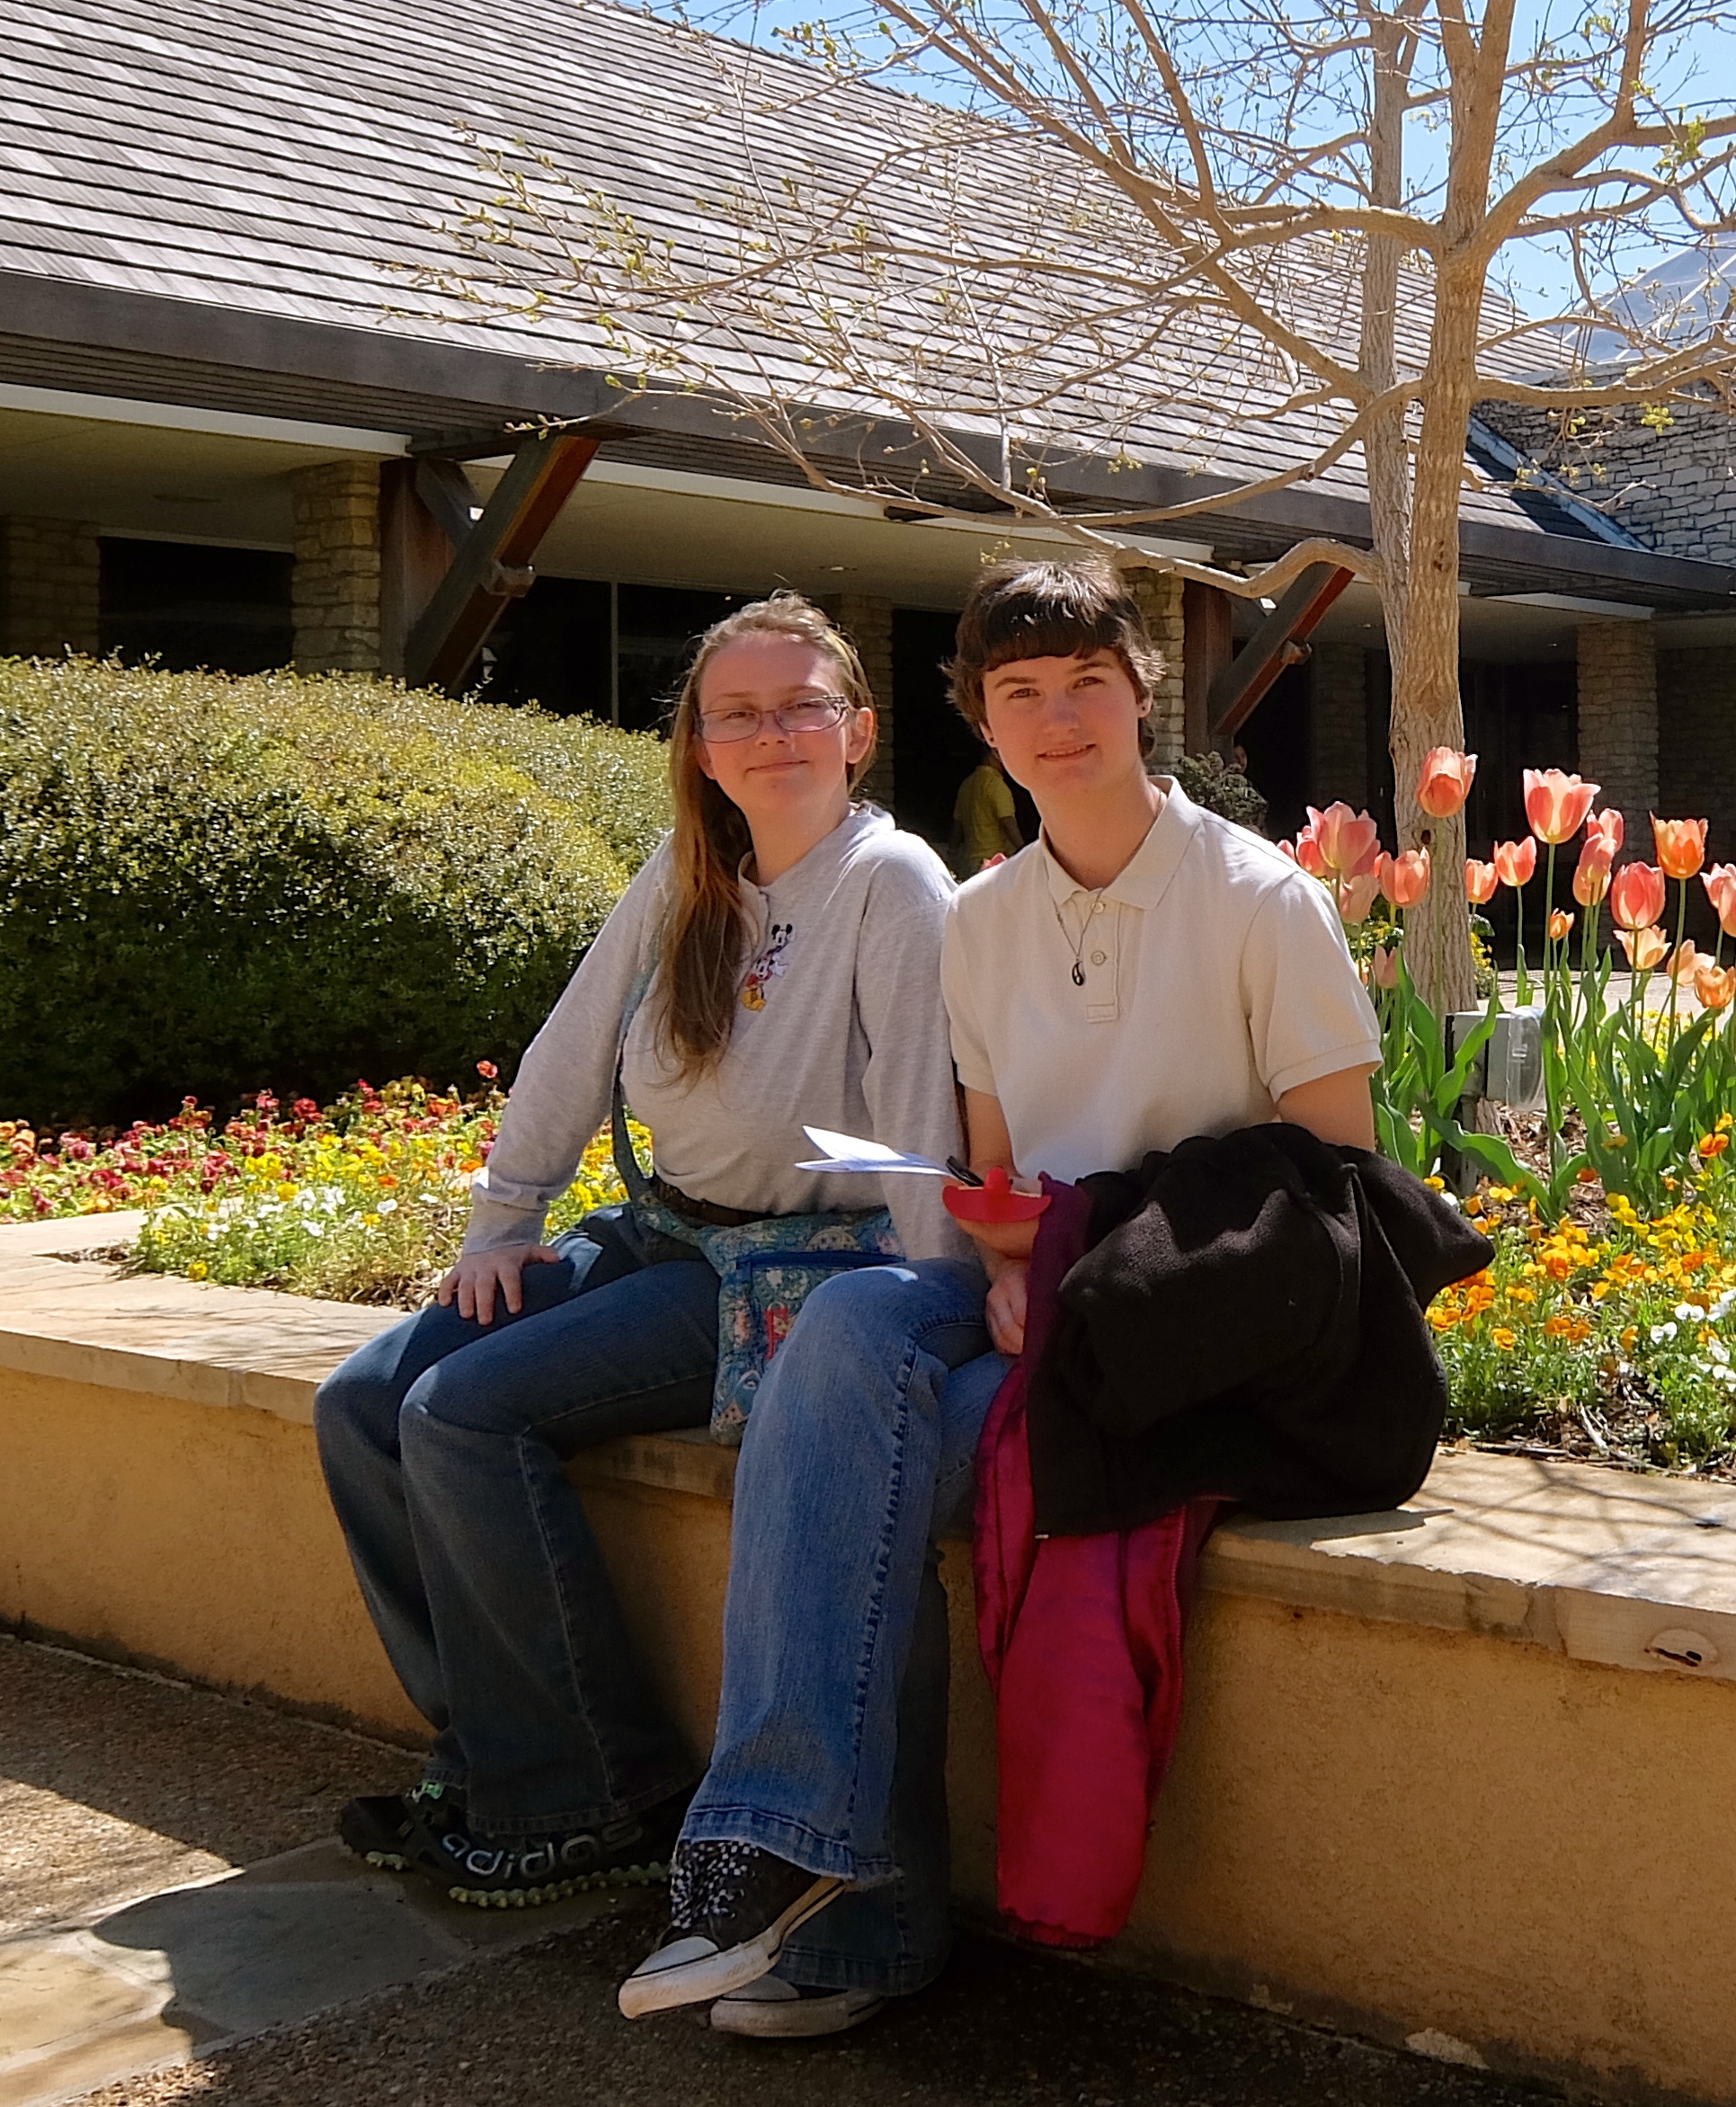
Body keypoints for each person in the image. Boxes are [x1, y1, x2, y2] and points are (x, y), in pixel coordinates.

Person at [620, 556, 1379, 2036]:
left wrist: (1093, 1272)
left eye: (1087, 680)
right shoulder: (978, 921)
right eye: (1020, 691)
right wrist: (1019, 1267)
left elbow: (1338, 1186)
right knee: (849, 1326)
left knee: (867, 1453)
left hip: (1195, 1329)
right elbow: (991, 1171)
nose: (1058, 717)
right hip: (1048, 1306)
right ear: (979, 720)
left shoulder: (1260, 899)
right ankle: (782, 1854)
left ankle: (842, 1901)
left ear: (1142, 693)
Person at [312, 594, 968, 1924]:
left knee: (462, 1412)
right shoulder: (685, 874)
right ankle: (492, 1755)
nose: (771, 734)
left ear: (856, 732)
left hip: (788, 1269)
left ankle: (584, 1794)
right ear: (702, 749)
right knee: (364, 1403)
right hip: (663, 1230)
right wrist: (505, 1223)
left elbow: (920, 1124)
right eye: (738, 714)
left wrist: (934, 1309)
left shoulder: (890, 882)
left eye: (802, 707)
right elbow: (569, 1052)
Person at [951, 751, 1024, 868]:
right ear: (994, 756)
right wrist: (1024, 850)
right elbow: (1007, 821)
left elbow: (957, 826)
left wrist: (952, 851)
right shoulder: (996, 784)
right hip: (995, 863)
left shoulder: (966, 784)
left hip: (971, 863)